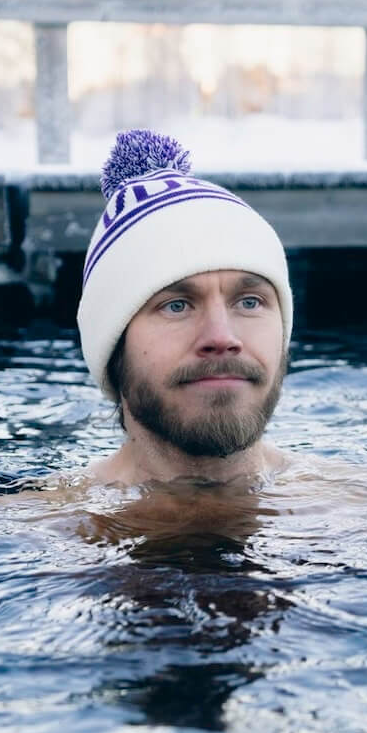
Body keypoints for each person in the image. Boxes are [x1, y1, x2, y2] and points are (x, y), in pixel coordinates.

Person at [73, 130, 296, 490]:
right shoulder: (21, 529)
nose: (222, 337)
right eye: (176, 306)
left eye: (249, 302)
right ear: (112, 350)